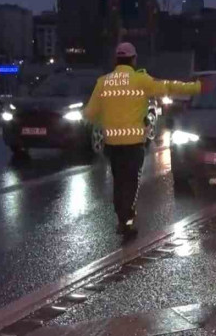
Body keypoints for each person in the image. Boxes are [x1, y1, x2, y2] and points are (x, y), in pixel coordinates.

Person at [84, 42, 203, 236]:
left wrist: (104, 118)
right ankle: (127, 221)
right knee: (131, 182)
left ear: (116, 60)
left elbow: (89, 114)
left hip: (112, 144)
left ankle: (121, 218)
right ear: (133, 60)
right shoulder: (141, 80)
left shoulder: (103, 82)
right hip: (133, 143)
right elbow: (169, 87)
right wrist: (196, 87)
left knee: (119, 181)